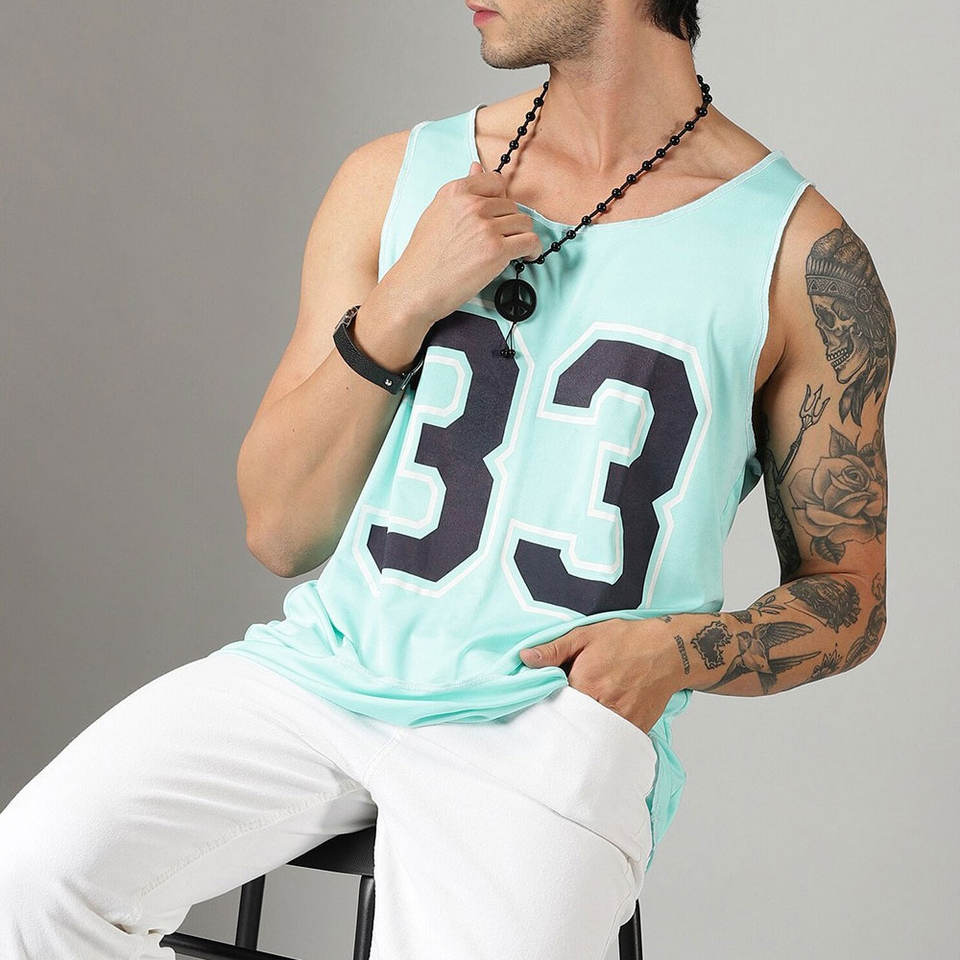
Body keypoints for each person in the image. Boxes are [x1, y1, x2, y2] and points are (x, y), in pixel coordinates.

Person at [0, 1, 896, 957]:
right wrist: (406, 298)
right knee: (31, 881)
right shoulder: (395, 178)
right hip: (325, 671)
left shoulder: (799, 258)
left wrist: (668, 656)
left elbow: (848, 596)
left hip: (544, 719)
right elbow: (281, 531)